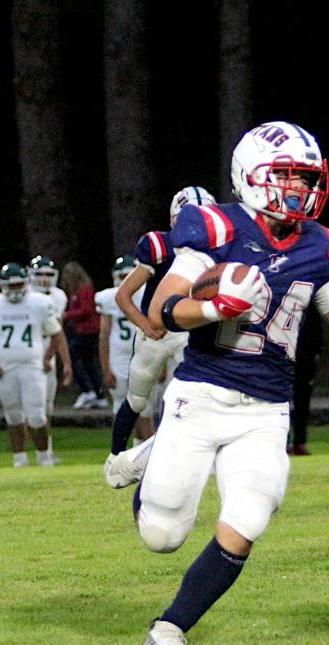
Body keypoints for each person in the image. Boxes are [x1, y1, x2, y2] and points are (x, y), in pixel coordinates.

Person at [128, 120, 329, 645]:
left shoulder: (323, 246)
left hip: (266, 410)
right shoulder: (215, 228)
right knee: (162, 536)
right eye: (287, 176)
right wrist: (211, 306)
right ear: (250, 176)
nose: (299, 188)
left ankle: (171, 625)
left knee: (251, 511)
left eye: (305, 177)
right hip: (200, 397)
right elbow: (164, 308)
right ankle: (151, 463)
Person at [103, 185, 216, 479]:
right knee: (137, 399)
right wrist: (145, 324)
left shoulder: (219, 250)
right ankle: (115, 459)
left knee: (185, 397)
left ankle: (172, 459)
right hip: (157, 331)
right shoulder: (158, 246)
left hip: (190, 333)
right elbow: (123, 295)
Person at [0, 263, 69, 467]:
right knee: (13, 414)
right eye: (11, 286)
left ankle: (44, 457)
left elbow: (56, 334)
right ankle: (19, 459)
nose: (15, 290)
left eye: (18, 285)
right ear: (2, 285)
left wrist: (46, 358)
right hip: (4, 367)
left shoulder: (40, 302)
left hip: (32, 365)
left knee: (36, 415)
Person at [97, 256, 148, 437]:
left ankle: (142, 453)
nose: (127, 281)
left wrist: (162, 364)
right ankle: (120, 452)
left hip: (145, 353)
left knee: (145, 407)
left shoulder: (149, 294)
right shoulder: (108, 298)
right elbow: (104, 335)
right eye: (123, 276)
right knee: (120, 406)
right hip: (118, 356)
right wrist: (105, 369)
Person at [27, 255, 72, 457]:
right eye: (39, 274)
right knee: (27, 407)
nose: (44, 279)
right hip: (28, 348)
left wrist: (65, 362)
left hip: (48, 348)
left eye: (48, 274)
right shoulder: (24, 294)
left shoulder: (58, 296)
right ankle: (34, 452)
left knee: (47, 406)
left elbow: (57, 332)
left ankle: (46, 451)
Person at [61, 261, 107, 409]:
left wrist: (67, 315)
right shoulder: (76, 291)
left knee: (73, 357)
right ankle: (97, 394)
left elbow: (87, 310)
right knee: (88, 363)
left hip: (88, 331)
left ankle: (88, 390)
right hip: (82, 330)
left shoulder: (85, 289)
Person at [288, 305, 322, 456]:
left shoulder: (310, 301)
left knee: (302, 401)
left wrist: (317, 351)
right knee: (282, 400)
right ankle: (284, 441)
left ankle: (300, 442)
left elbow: (317, 327)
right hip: (284, 356)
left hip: (305, 356)